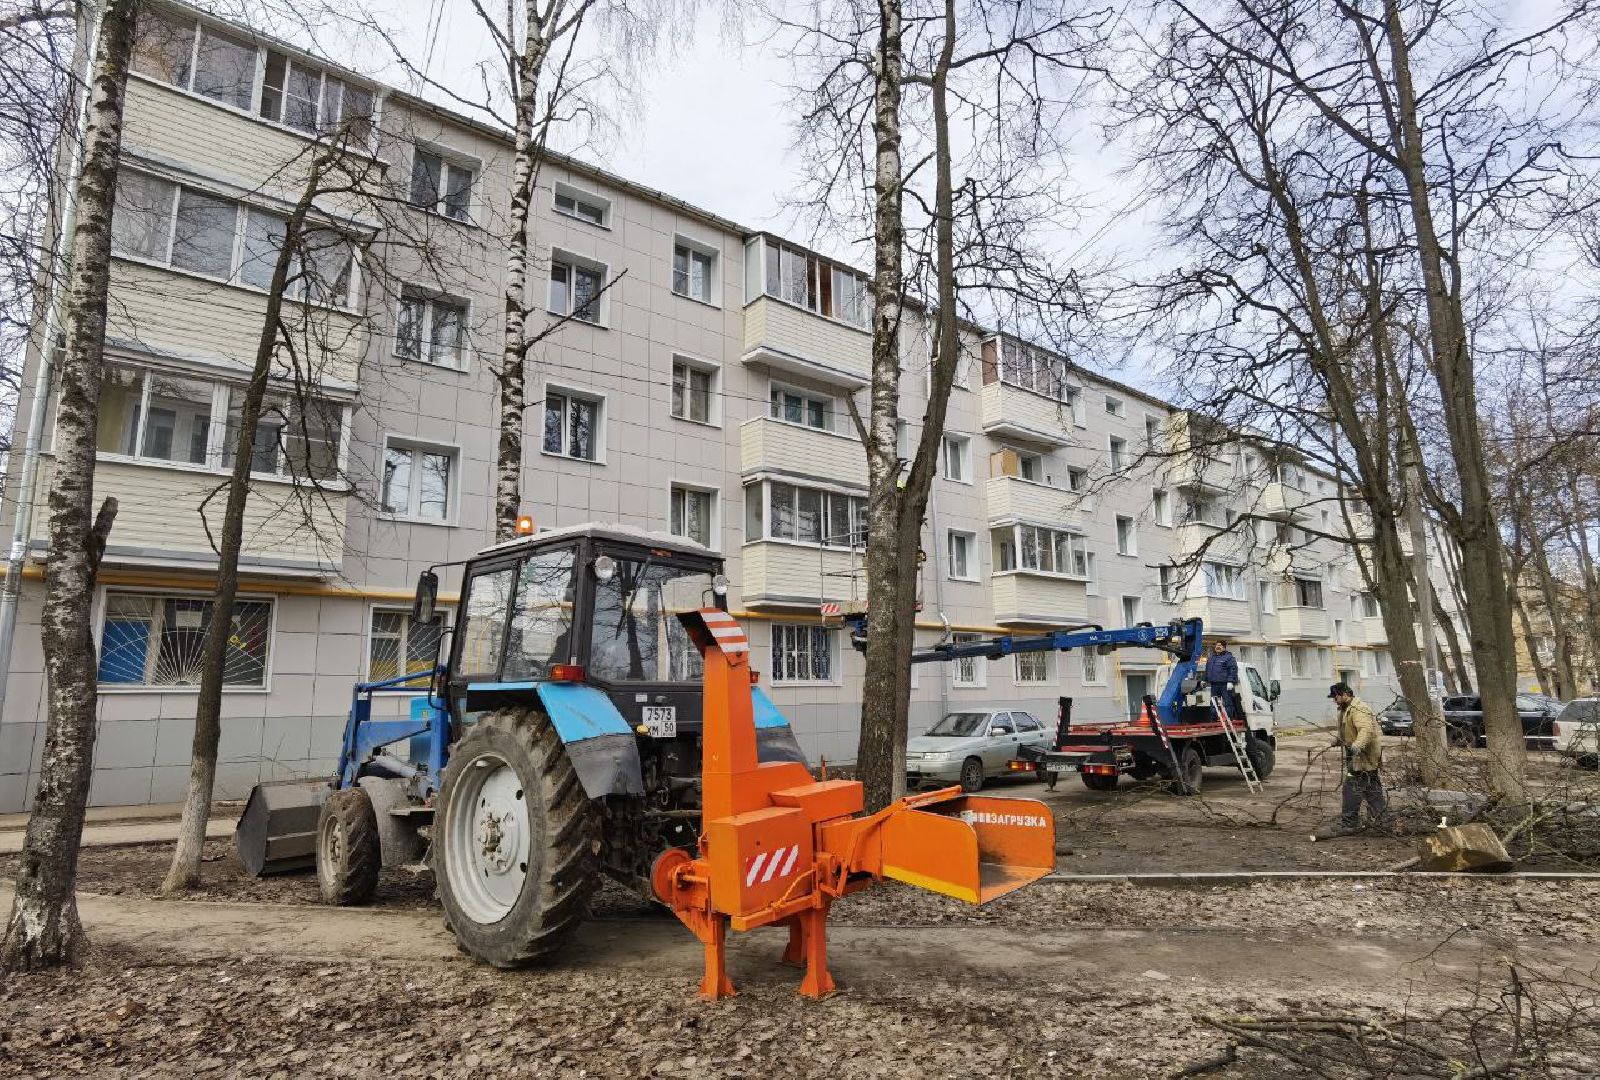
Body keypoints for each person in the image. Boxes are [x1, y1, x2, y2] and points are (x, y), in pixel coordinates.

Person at [1330, 681, 1388, 833]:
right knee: (1372, 788)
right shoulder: (1346, 709)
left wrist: (1357, 746)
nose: (1334, 700)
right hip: (1360, 758)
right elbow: (1348, 729)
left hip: (1363, 757)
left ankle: (1350, 823)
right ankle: (1383, 821)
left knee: (1351, 788)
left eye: (1335, 697)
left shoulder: (1358, 709)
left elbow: (1365, 730)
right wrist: (1339, 740)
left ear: (1345, 695)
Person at [1204, 640, 1242, 722]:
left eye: (1220, 645)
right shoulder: (1211, 658)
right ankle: (1214, 719)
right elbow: (1207, 670)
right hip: (1214, 684)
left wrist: (1230, 681)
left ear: (1224, 647)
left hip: (1225, 684)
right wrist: (1205, 680)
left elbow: (1233, 669)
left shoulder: (1229, 658)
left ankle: (1229, 719)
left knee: (1227, 703)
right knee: (1213, 703)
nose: (1218, 647)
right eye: (1216, 645)